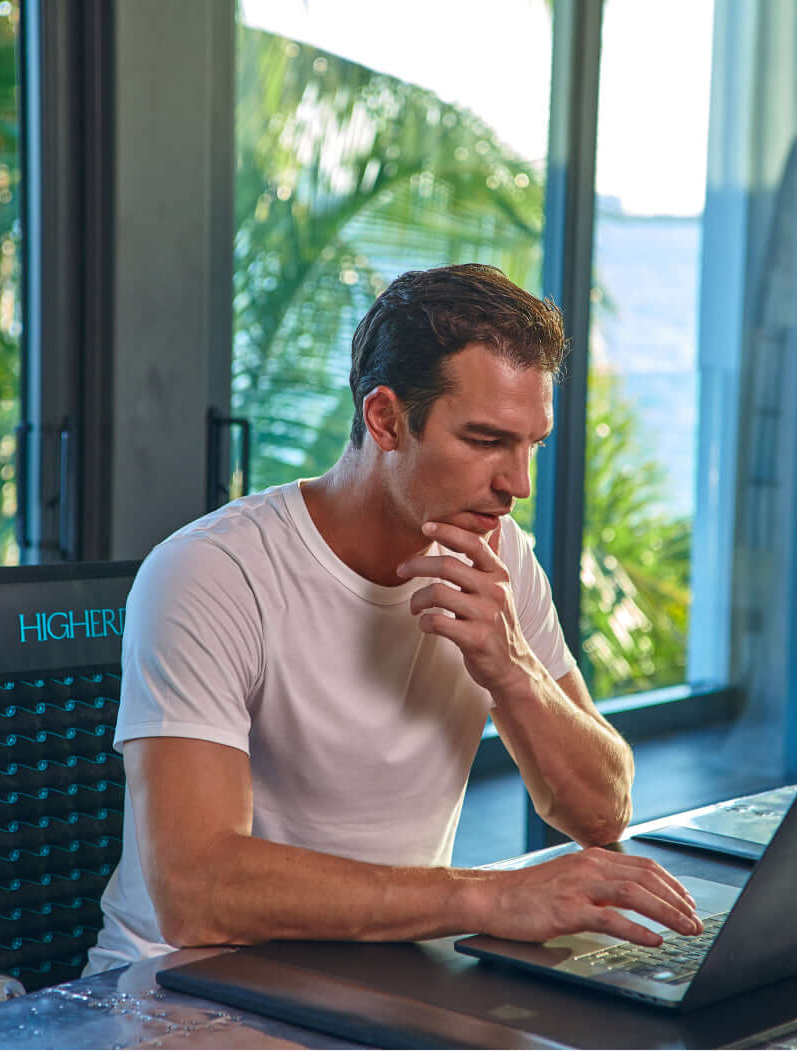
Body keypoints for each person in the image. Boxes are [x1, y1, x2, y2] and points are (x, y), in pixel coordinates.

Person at [84, 263, 702, 975]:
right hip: (177, 987)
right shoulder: (211, 573)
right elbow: (195, 892)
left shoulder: (500, 557)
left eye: (531, 445)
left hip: (379, 976)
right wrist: (486, 898)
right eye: (484, 440)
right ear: (384, 419)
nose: (517, 485)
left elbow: (601, 812)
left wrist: (512, 670)